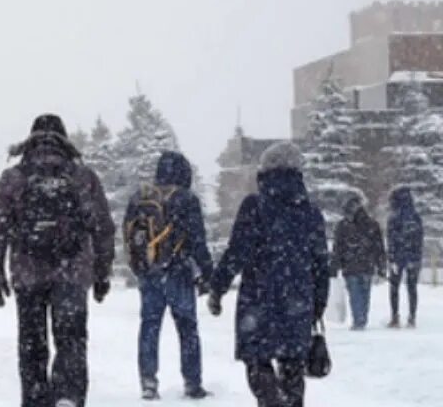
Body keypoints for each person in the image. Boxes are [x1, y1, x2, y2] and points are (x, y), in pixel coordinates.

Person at [0, 114, 115, 407]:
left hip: (28, 274)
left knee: (32, 346)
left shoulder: (14, 178)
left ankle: (35, 400)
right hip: (72, 272)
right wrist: (101, 273)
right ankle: (68, 395)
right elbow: (103, 227)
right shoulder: (82, 177)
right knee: (71, 340)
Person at [207, 142, 329, 407]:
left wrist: (217, 287)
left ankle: (271, 400)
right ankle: (289, 401)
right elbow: (321, 263)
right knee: (293, 365)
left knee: (257, 359)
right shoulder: (311, 212)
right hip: (297, 299)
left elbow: (236, 252)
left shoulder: (254, 207)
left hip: (259, 299)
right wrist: (318, 303)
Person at [123, 150, 214, 400]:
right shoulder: (186, 199)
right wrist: (208, 273)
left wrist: (141, 266)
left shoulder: (140, 198)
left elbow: (129, 237)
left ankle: (148, 381)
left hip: (149, 272)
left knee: (150, 326)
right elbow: (198, 241)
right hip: (179, 270)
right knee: (187, 327)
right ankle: (192, 381)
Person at [331, 193, 386, 330]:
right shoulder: (372, 224)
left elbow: (338, 247)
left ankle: (358, 320)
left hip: (350, 265)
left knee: (354, 294)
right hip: (367, 265)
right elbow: (378, 247)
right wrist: (381, 266)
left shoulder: (342, 226)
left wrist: (334, 266)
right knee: (365, 294)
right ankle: (362, 318)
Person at [386, 185, 424, 328]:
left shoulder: (394, 217)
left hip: (398, 258)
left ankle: (395, 317)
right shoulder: (416, 216)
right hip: (413, 258)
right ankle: (412, 317)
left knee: (394, 287)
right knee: (412, 288)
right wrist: (416, 258)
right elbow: (420, 239)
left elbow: (391, 240)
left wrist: (391, 258)